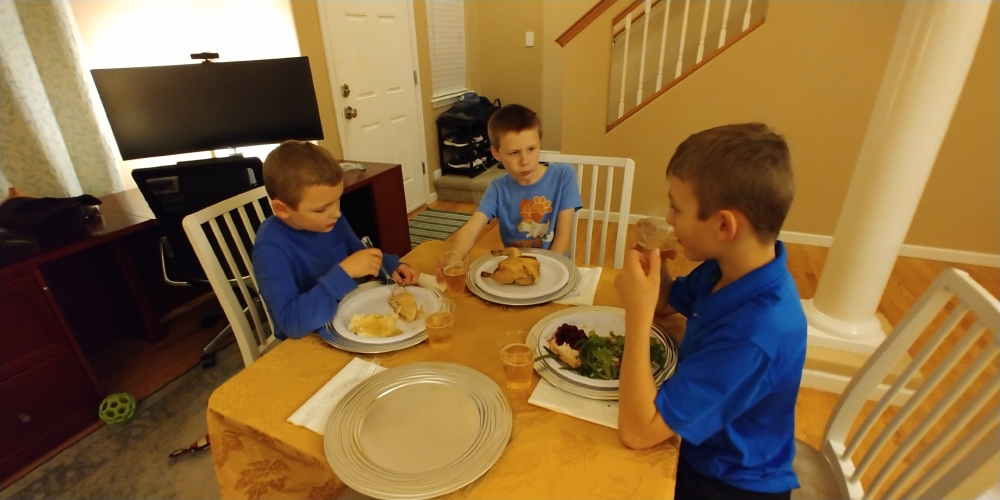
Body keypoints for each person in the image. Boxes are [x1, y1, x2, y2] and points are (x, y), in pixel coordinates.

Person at [613, 123, 806, 500]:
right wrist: (654, 262)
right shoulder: (728, 267)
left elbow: (638, 432)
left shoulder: (756, 334)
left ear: (723, 225)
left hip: (726, 482)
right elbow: (668, 302)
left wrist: (637, 315)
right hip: (696, 440)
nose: (669, 218)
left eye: (677, 208)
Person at [253, 140, 418, 340]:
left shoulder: (330, 220)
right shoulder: (270, 248)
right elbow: (292, 324)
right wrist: (345, 272)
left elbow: (360, 254)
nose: (336, 213)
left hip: (346, 316)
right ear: (282, 209)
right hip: (308, 337)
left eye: (337, 200)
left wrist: (391, 266)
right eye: (321, 209)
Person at [436, 104, 582, 280]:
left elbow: (563, 236)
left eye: (531, 149)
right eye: (514, 153)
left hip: (554, 268)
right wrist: (456, 255)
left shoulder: (563, 175)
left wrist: (540, 273)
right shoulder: (498, 188)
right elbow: (471, 228)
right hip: (516, 271)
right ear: (496, 153)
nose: (525, 160)